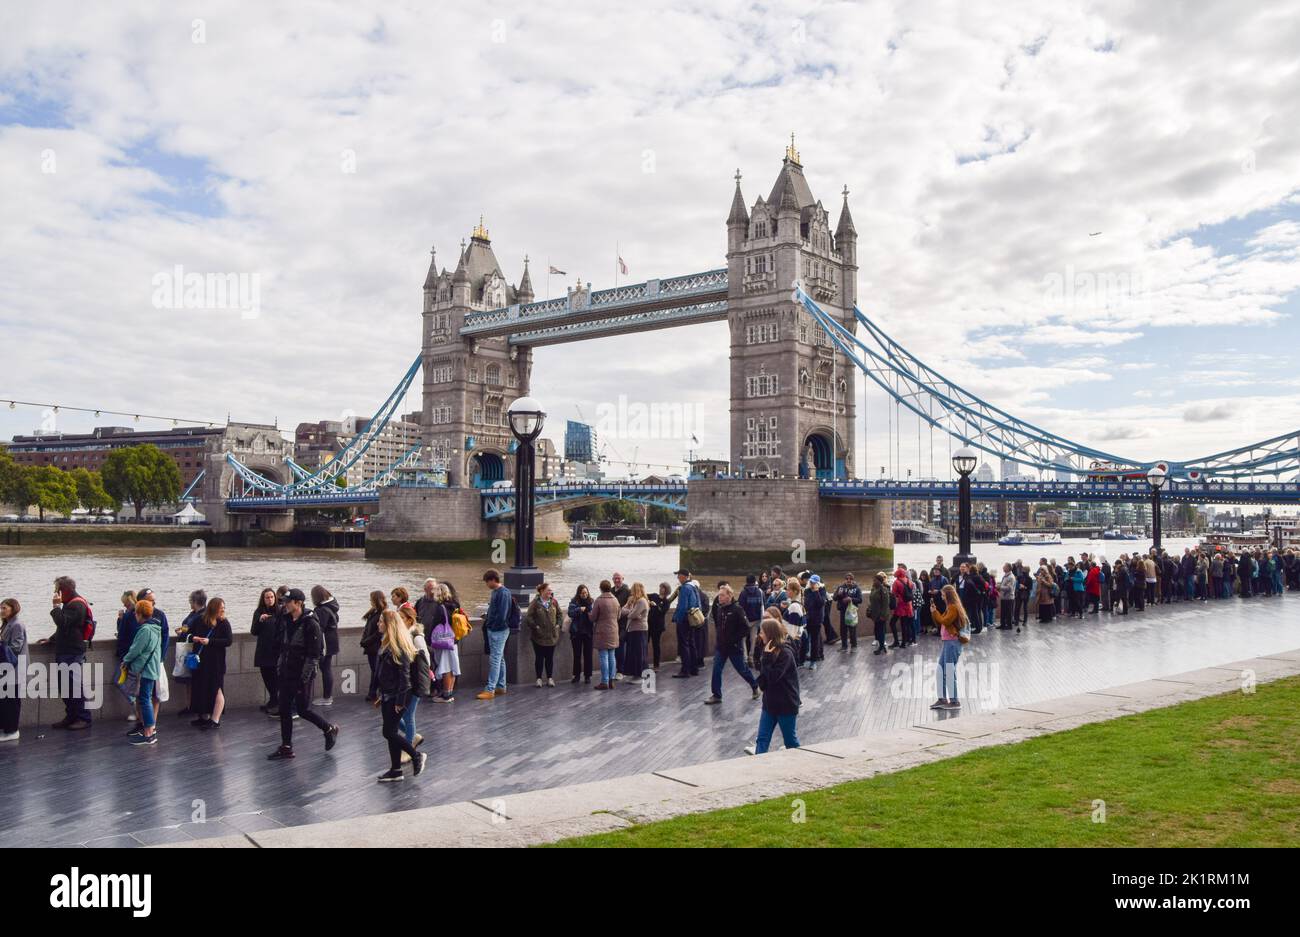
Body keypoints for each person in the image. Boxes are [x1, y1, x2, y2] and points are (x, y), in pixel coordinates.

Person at [267, 588, 339, 760]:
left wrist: (304, 678)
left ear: (298, 603)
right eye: (283, 601)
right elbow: (282, 645)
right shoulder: (286, 620)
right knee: (284, 709)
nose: (284, 604)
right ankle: (286, 747)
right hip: (286, 671)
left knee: (303, 709)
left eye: (287, 602)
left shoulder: (310, 623)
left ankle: (328, 729)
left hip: (301, 675)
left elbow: (315, 655)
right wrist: (279, 666)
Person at [373, 608, 427, 782]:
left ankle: (416, 755)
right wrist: (381, 693)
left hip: (398, 697)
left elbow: (405, 678)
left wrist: (400, 701)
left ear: (389, 625)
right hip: (389, 695)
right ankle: (396, 770)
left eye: (381, 621)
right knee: (391, 731)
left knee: (388, 732)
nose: (378, 624)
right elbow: (387, 675)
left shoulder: (399, 647)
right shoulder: (387, 643)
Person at [42, 576, 92, 730]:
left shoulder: (77, 605)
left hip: (72, 652)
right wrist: (51, 639)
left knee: (74, 685)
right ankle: (71, 716)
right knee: (65, 686)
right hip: (66, 651)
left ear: (65, 590)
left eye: (57, 590)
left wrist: (56, 606)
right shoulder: (71, 603)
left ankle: (83, 718)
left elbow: (62, 622)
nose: (55, 593)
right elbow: (65, 628)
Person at [748, 617, 801, 755]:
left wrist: (766, 659)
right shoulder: (766, 650)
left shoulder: (785, 653)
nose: (759, 635)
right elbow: (763, 681)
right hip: (769, 704)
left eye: (762, 632)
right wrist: (763, 657)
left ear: (770, 633)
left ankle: (801, 764)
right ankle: (759, 769)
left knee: (791, 742)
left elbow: (772, 677)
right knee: (762, 740)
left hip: (786, 704)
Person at [704, 584, 760, 706]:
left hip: (734, 647)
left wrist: (734, 640)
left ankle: (755, 686)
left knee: (742, 670)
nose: (719, 597)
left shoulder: (737, 609)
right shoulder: (719, 609)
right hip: (721, 647)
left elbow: (746, 628)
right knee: (716, 670)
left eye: (722, 595)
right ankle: (716, 695)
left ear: (729, 596)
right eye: (719, 595)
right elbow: (719, 626)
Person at [122, 598, 163, 745]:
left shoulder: (145, 630)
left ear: (139, 614)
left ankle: (148, 734)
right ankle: (150, 730)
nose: (134, 616)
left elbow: (135, 650)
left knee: (145, 700)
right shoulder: (156, 628)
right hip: (152, 669)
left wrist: (125, 660)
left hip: (144, 670)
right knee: (146, 699)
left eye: (136, 613)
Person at [189, 597, 232, 729]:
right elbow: (187, 633)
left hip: (216, 662)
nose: (222, 611)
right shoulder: (199, 620)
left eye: (223, 609)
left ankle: (215, 719)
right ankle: (204, 716)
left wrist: (210, 642)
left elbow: (228, 641)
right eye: (220, 609)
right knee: (201, 688)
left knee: (217, 688)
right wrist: (193, 638)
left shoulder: (224, 623)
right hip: (201, 661)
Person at [476, 569, 514, 700]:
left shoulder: (503, 593)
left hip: (498, 630)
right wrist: (488, 617)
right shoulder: (497, 592)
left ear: (492, 580)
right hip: (496, 629)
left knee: (495, 660)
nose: (487, 585)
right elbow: (497, 611)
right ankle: (501, 686)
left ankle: (490, 689)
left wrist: (491, 625)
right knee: (500, 658)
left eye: (487, 582)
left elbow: (502, 615)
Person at [397, 604, 429, 759]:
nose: (398, 621)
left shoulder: (416, 637)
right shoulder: (401, 634)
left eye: (401, 618)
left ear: (410, 620)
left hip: (414, 682)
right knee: (395, 718)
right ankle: (414, 736)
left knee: (408, 716)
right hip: (405, 682)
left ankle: (408, 749)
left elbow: (425, 661)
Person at [929, 583, 968, 711]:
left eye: (943, 594)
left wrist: (935, 612)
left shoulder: (953, 607)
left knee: (949, 672)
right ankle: (942, 699)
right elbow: (942, 622)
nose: (942, 596)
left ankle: (954, 701)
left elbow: (945, 621)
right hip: (948, 643)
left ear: (948, 595)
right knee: (941, 671)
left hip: (952, 643)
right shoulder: (950, 607)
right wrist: (935, 613)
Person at [251, 587, 282, 713]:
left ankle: (275, 700)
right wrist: (260, 620)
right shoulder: (258, 612)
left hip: (276, 650)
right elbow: (253, 631)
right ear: (263, 599)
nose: (269, 599)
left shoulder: (280, 612)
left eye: (271, 597)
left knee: (276, 676)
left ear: (275, 598)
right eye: (267, 597)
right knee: (266, 675)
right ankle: (273, 699)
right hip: (263, 649)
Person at [0, 598, 28, 741]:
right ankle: (7, 728)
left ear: (13, 608)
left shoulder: (16, 624)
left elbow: (16, 647)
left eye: (4, 608)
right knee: (6, 699)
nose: (1, 611)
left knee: (11, 700)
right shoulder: (7, 624)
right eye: (1, 608)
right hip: (8, 668)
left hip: (15, 668)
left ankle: (12, 731)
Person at [525, 582, 562, 687]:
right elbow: (529, 617)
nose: (550, 592)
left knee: (550, 658)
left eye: (551, 590)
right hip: (538, 636)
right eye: (548, 590)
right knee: (539, 658)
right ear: (542, 591)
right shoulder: (535, 603)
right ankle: (539, 679)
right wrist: (535, 626)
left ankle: (550, 678)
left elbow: (559, 615)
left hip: (552, 636)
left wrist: (558, 625)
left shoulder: (554, 602)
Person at [310, 586, 339, 706]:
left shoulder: (321, 610)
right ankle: (328, 697)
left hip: (325, 643)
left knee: (325, 669)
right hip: (331, 642)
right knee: (326, 669)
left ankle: (327, 698)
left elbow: (318, 629)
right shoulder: (331, 606)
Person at [670, 568, 702, 679]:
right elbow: (698, 604)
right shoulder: (694, 587)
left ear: (684, 576)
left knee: (684, 645)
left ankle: (685, 670)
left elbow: (682, 606)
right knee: (692, 643)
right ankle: (694, 668)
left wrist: (677, 619)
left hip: (684, 620)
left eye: (679, 575)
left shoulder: (684, 588)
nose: (678, 578)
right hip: (692, 619)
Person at [591, 580, 621, 690]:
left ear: (601, 588)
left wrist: (588, 613)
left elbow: (593, 617)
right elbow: (619, 616)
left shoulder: (599, 600)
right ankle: (611, 680)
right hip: (613, 631)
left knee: (603, 656)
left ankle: (604, 681)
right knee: (612, 656)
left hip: (602, 632)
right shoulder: (615, 600)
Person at [360, 590, 386, 703]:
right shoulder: (375, 612)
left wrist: (366, 641)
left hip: (375, 647)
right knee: (374, 670)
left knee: (376, 671)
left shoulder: (382, 613)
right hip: (371, 647)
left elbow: (379, 633)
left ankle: (374, 693)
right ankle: (373, 692)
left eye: (371, 599)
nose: (370, 601)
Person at [622, 582, 650, 682]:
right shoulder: (633, 600)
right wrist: (631, 609)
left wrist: (631, 612)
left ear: (636, 590)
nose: (631, 591)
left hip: (639, 630)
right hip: (633, 629)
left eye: (632, 589)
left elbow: (631, 615)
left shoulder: (642, 601)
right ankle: (636, 674)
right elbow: (622, 610)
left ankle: (639, 675)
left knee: (639, 653)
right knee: (634, 652)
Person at [567, 585, 594, 685]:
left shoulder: (591, 601)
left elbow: (595, 614)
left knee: (588, 655)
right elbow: (570, 613)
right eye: (583, 593)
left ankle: (587, 676)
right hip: (577, 632)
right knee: (577, 655)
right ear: (579, 593)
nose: (585, 595)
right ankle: (576, 675)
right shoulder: (574, 601)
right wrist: (579, 610)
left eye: (586, 593)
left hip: (588, 632)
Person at [803, 574, 827, 670]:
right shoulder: (807, 590)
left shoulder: (822, 590)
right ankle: (803, 658)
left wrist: (816, 592)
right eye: (811, 582)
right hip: (808, 618)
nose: (812, 584)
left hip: (817, 619)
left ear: (818, 583)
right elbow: (807, 604)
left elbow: (821, 603)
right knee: (805, 639)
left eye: (814, 582)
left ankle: (813, 661)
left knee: (815, 640)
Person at [832, 573, 862, 648]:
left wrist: (851, 599)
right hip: (843, 611)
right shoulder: (840, 587)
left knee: (852, 629)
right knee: (843, 630)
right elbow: (834, 598)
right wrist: (838, 595)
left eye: (850, 579)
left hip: (852, 612)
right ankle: (844, 646)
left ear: (853, 580)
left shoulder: (856, 588)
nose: (848, 580)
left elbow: (860, 600)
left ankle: (854, 645)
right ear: (845, 579)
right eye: (847, 579)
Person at [611, 572, 631, 681]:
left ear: (623, 579)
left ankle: (621, 671)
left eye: (619, 578)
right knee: (613, 647)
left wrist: (621, 612)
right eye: (615, 578)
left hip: (624, 624)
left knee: (621, 646)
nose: (617, 580)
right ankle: (614, 669)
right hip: (612, 623)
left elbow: (631, 606)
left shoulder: (628, 591)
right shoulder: (610, 591)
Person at [647, 582, 670, 671]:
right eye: (660, 587)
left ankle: (656, 665)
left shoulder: (666, 601)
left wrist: (655, 606)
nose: (661, 589)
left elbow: (662, 611)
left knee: (656, 645)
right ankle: (643, 663)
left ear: (666, 590)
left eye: (663, 588)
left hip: (658, 627)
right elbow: (643, 595)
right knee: (645, 643)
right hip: (648, 624)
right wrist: (648, 601)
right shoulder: (654, 596)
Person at [890, 568, 914, 648]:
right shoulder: (909, 581)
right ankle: (904, 643)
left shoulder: (896, 582)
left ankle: (896, 641)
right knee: (904, 625)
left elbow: (893, 594)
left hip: (900, 606)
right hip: (908, 605)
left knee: (892, 623)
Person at [866, 571, 889, 654]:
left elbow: (885, 604)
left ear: (880, 581)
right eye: (873, 580)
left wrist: (883, 616)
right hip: (875, 615)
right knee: (877, 630)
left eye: (875, 580)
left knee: (881, 631)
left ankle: (881, 647)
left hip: (881, 616)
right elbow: (871, 601)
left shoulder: (884, 590)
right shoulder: (874, 589)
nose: (874, 582)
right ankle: (881, 646)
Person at [998, 563, 1016, 629]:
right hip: (1004, 597)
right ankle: (1002, 624)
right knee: (1003, 612)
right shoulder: (1005, 576)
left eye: (1004, 566)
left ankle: (1009, 625)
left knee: (1008, 612)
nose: (1003, 567)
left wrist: (1000, 587)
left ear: (1008, 568)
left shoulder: (1011, 577)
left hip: (1009, 598)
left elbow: (1009, 588)